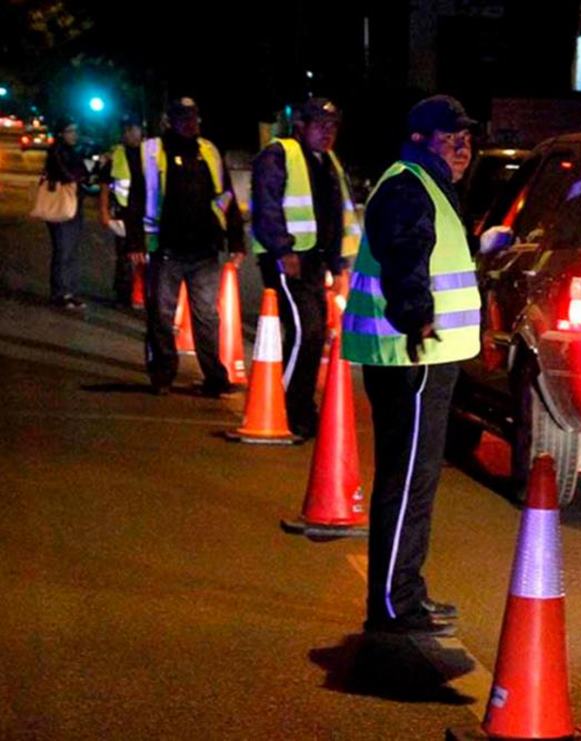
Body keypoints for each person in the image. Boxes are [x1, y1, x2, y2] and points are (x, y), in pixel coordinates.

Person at [342, 95, 480, 636]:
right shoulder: (408, 187)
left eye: (467, 137)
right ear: (421, 139)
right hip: (414, 356)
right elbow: (405, 254)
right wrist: (416, 317)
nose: (464, 147)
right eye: (452, 138)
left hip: (419, 356)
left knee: (413, 482)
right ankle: (396, 604)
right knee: (408, 483)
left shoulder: (425, 185)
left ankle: (404, 594)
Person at [250, 97, 360, 438]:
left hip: (315, 261)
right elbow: (266, 205)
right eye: (320, 125)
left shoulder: (330, 163)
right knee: (305, 331)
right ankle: (284, 407)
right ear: (301, 126)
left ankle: (300, 408)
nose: (328, 133)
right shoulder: (279, 154)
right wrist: (283, 250)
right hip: (288, 260)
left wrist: (339, 264)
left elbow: (338, 214)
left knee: (312, 336)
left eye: (333, 126)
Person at [136, 97, 245, 396]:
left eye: (194, 118)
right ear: (170, 121)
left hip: (204, 250)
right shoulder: (152, 151)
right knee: (161, 315)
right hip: (167, 248)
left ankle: (215, 378)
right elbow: (138, 196)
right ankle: (162, 375)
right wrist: (135, 241)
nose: (190, 124)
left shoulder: (209, 151)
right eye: (183, 118)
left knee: (207, 317)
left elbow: (226, 196)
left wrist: (235, 239)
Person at [99, 115, 146, 307]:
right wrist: (103, 211)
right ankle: (123, 295)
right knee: (125, 256)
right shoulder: (116, 155)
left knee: (146, 255)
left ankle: (142, 293)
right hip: (123, 212)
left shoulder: (149, 153)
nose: (133, 135)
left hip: (145, 213)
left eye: (136, 130)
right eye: (129, 131)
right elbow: (104, 184)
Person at [44, 120, 88, 309]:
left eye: (76, 131)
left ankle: (70, 291)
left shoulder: (74, 151)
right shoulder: (56, 152)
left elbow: (84, 174)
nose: (74, 135)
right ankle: (59, 293)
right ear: (61, 133)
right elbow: (68, 175)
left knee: (72, 251)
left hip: (75, 204)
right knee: (63, 250)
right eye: (70, 131)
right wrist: (80, 176)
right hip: (60, 206)